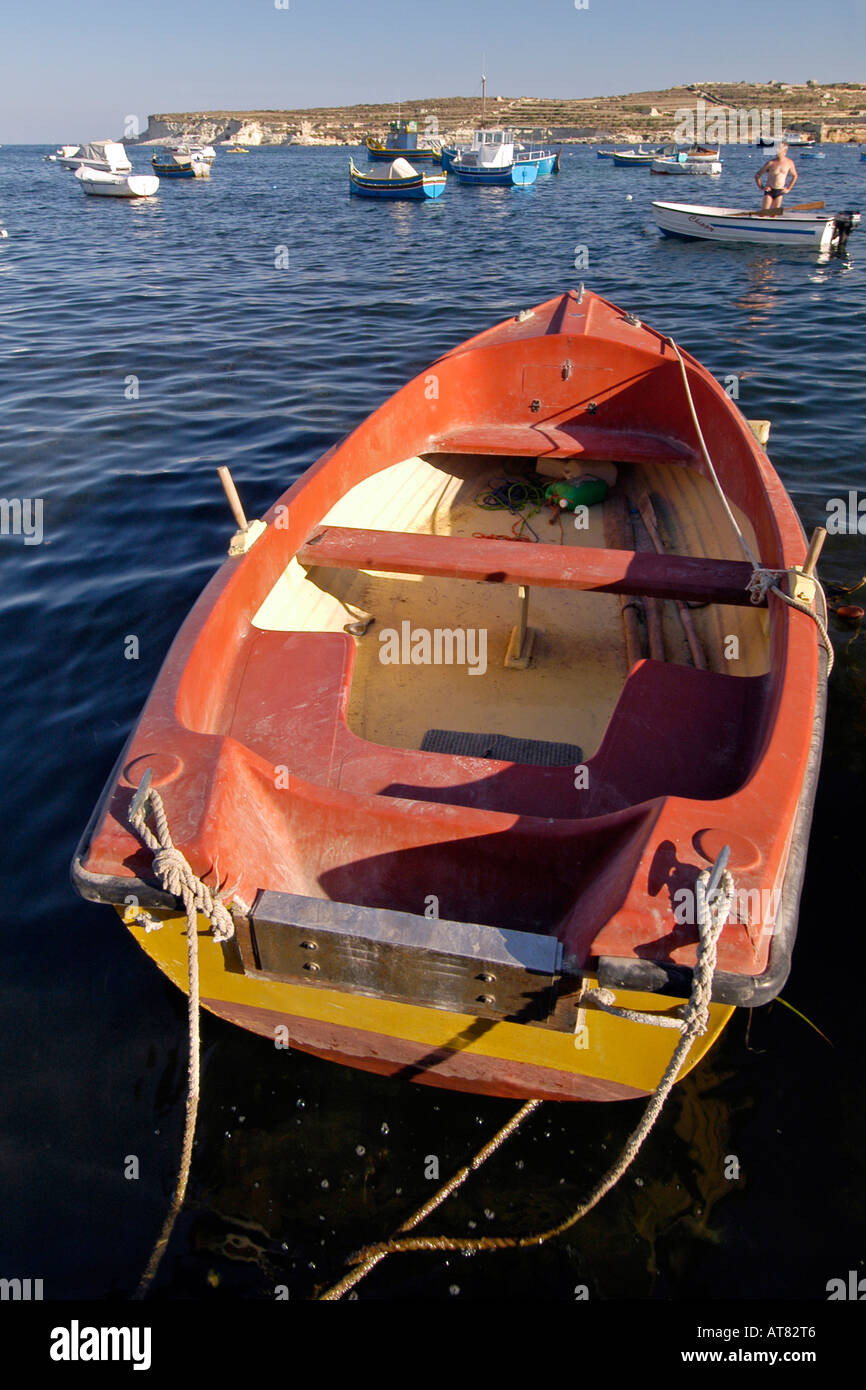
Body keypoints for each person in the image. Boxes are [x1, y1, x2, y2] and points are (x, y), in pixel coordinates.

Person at [755, 142, 798, 213]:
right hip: (769, 191)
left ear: (784, 151)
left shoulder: (789, 163)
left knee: (774, 214)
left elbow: (795, 176)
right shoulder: (771, 163)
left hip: (779, 191)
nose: (776, 150)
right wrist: (762, 187)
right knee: (764, 212)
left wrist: (789, 188)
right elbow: (757, 175)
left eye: (779, 148)